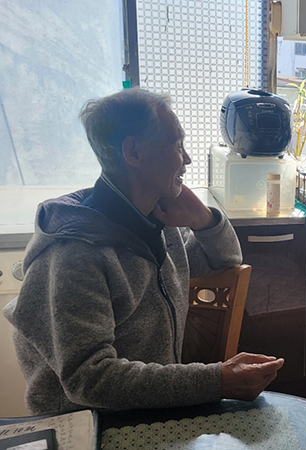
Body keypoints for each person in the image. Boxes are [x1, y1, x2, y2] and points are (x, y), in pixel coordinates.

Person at [3, 89, 284, 415]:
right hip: (93, 427)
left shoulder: (157, 222)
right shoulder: (73, 254)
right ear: (133, 152)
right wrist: (216, 381)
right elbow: (89, 379)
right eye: (177, 145)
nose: (187, 159)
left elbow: (224, 260)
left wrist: (204, 220)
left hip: (150, 411)